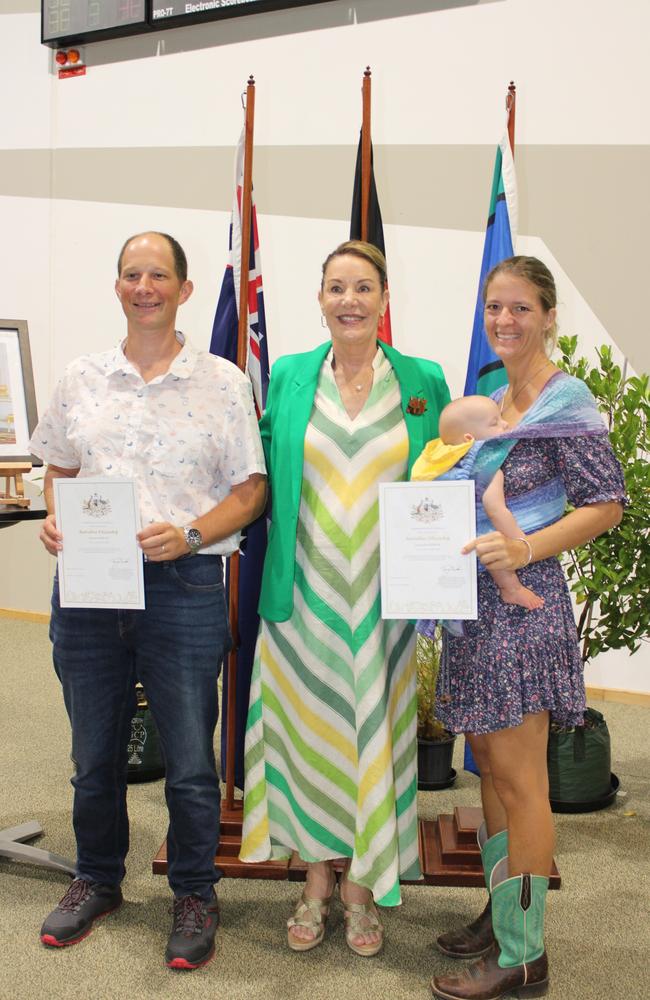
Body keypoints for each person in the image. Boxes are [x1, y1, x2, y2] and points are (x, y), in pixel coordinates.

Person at [29, 232, 267, 970]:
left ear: (184, 289)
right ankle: (97, 878)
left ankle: (195, 891)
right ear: (118, 286)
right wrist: (55, 517)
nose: (144, 286)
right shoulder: (81, 377)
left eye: (158, 274)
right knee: (92, 754)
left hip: (183, 584)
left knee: (193, 762)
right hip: (91, 592)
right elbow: (61, 468)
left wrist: (193, 533)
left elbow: (252, 491)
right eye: (131, 274)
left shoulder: (223, 380)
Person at [240, 240, 450, 956]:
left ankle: (362, 890)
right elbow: (253, 472)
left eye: (363, 287)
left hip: (389, 604)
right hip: (302, 597)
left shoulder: (424, 380)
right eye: (336, 287)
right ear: (321, 298)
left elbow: (449, 479)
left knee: (376, 739)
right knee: (308, 739)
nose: (350, 300)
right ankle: (314, 884)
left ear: (385, 298)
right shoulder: (293, 376)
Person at [429, 257, 625, 1000]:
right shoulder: (495, 399)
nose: (505, 321)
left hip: (526, 608)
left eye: (520, 308)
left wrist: (525, 547)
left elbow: (605, 503)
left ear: (548, 315)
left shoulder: (564, 399)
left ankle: (524, 953)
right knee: (491, 770)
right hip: (476, 610)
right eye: (493, 308)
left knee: (522, 781)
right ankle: (503, 906)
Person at [412, 394, 544, 610]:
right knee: (490, 544)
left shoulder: (439, 457)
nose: (506, 424)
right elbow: (497, 511)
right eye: (495, 422)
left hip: (441, 537)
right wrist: (522, 542)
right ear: (468, 438)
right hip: (472, 536)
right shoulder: (486, 466)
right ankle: (511, 589)